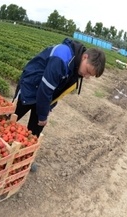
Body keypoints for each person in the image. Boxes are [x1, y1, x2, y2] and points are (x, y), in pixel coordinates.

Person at [13, 38, 106, 167]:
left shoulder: (76, 69)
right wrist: (43, 116)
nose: (86, 76)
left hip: (45, 94)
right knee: (11, 117)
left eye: (90, 75)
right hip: (31, 86)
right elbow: (45, 89)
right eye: (88, 72)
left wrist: (47, 108)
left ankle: (24, 158)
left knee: (35, 130)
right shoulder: (62, 56)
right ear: (85, 57)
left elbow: (59, 89)